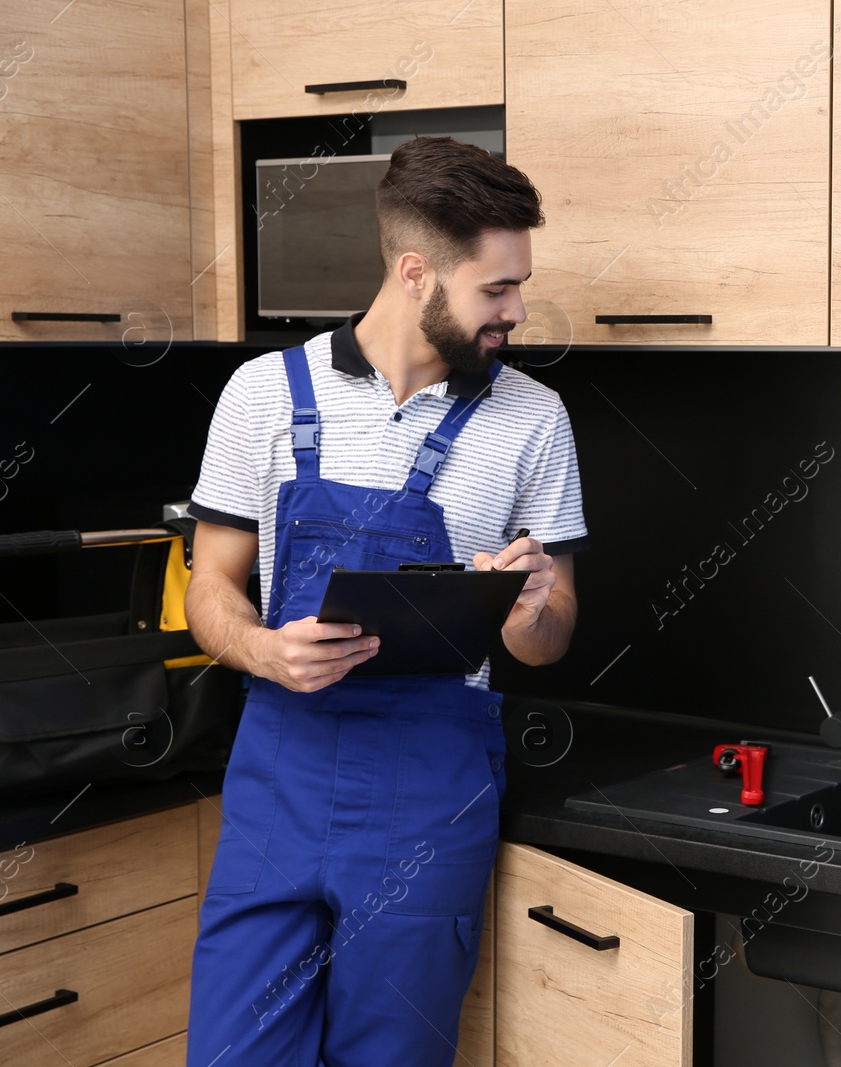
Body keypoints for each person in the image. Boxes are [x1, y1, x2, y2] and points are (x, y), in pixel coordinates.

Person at [182, 136, 587, 1067]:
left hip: (430, 793)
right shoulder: (261, 396)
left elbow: (553, 636)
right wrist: (262, 649)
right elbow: (211, 589)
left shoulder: (533, 418)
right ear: (416, 273)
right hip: (279, 779)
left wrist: (530, 609)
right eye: (496, 289)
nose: (517, 310)